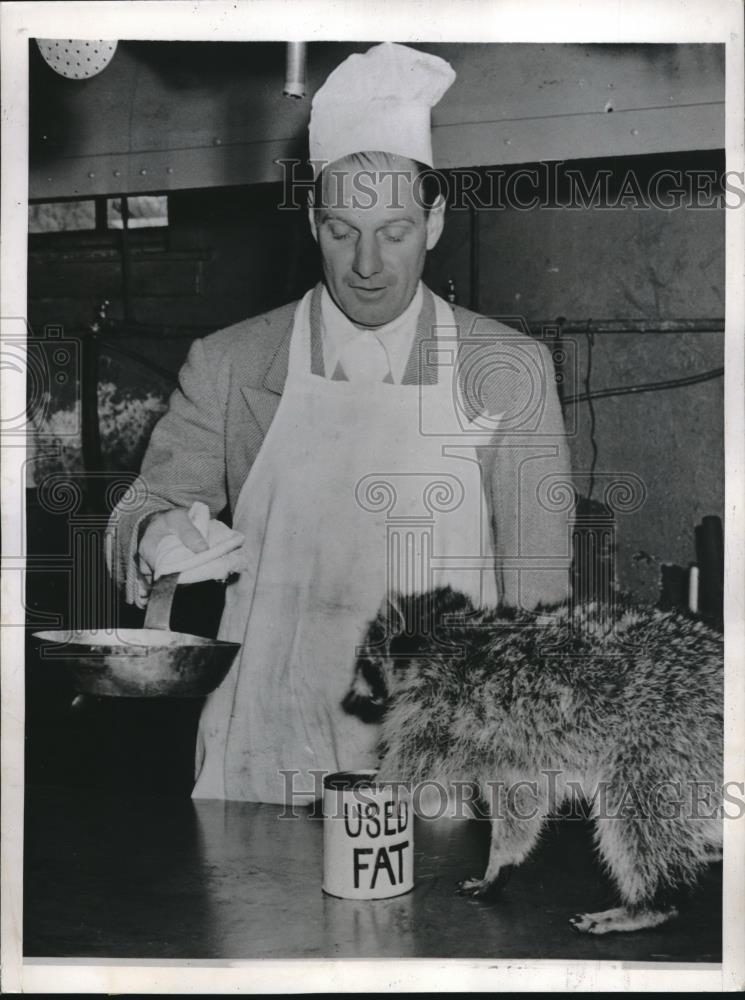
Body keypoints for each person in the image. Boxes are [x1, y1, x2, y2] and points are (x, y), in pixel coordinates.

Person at [107, 43, 574, 805]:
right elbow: (138, 507)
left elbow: (537, 597)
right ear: (312, 223)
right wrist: (158, 534)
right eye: (341, 229)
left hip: (440, 760)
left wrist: (521, 785)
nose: (366, 262)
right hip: (264, 744)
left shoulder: (507, 371)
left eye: (392, 231)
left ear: (433, 222)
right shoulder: (232, 363)